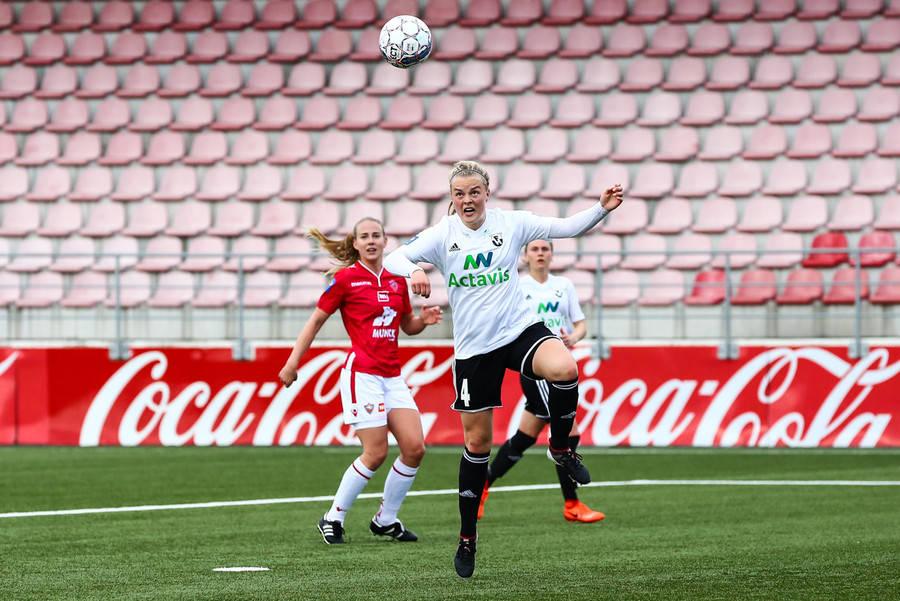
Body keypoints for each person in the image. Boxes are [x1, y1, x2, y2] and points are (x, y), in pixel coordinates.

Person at [383, 161, 623, 578]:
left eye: (474, 192)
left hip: (518, 329)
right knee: (478, 445)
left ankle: (561, 448)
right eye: (459, 193)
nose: (467, 200)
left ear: (487, 194)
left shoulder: (510, 223)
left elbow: (566, 227)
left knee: (565, 368)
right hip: (475, 350)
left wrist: (601, 208)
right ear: (452, 197)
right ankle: (467, 538)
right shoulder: (443, 234)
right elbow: (393, 258)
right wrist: (415, 269)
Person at [278, 217, 443, 545]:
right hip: (362, 375)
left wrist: (422, 322)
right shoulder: (345, 280)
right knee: (376, 452)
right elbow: (315, 321)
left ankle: (385, 520)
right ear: (355, 244)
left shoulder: (397, 279)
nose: (370, 241)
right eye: (364, 236)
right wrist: (292, 363)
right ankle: (333, 517)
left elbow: (406, 325)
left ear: (385, 241)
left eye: (376, 235)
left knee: (414, 449)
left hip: (392, 376)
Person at [478, 239, 605, 524]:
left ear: (552, 255)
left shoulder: (564, 286)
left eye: (545, 249)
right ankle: (572, 504)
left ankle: (482, 485)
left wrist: (573, 337)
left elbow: (580, 325)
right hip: (534, 367)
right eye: (534, 249)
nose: (540, 253)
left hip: (559, 365)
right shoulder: (517, 285)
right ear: (525, 256)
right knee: (569, 432)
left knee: (524, 438)